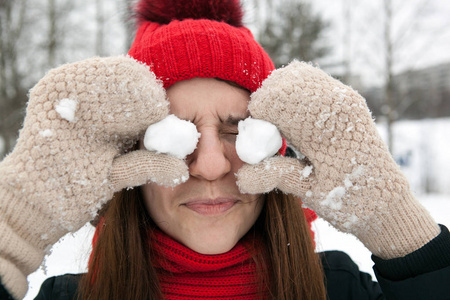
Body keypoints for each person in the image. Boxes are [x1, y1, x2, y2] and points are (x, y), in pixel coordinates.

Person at [0, 0, 449, 299]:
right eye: (174, 134)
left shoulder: (339, 288)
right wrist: (14, 232)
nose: (211, 165)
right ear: (128, 157)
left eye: (238, 130)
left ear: (277, 151)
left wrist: (403, 237)